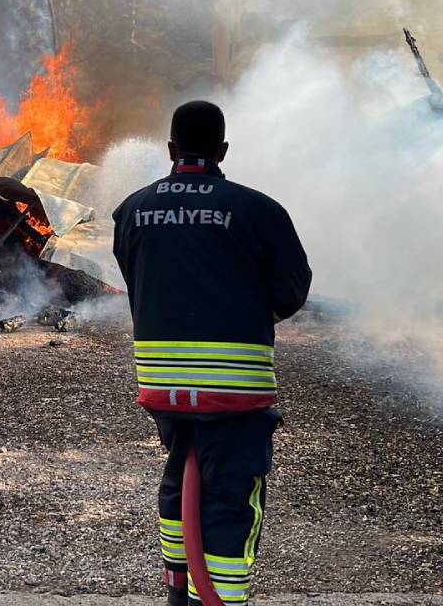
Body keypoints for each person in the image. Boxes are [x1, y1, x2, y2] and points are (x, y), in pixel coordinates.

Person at [112, 100, 312, 605]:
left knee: (181, 479)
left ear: (171, 149)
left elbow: (138, 279)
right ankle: (223, 599)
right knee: (231, 498)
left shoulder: (132, 210)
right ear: (222, 150)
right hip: (235, 387)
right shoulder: (258, 210)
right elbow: (290, 294)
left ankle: (178, 591)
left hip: (162, 383)